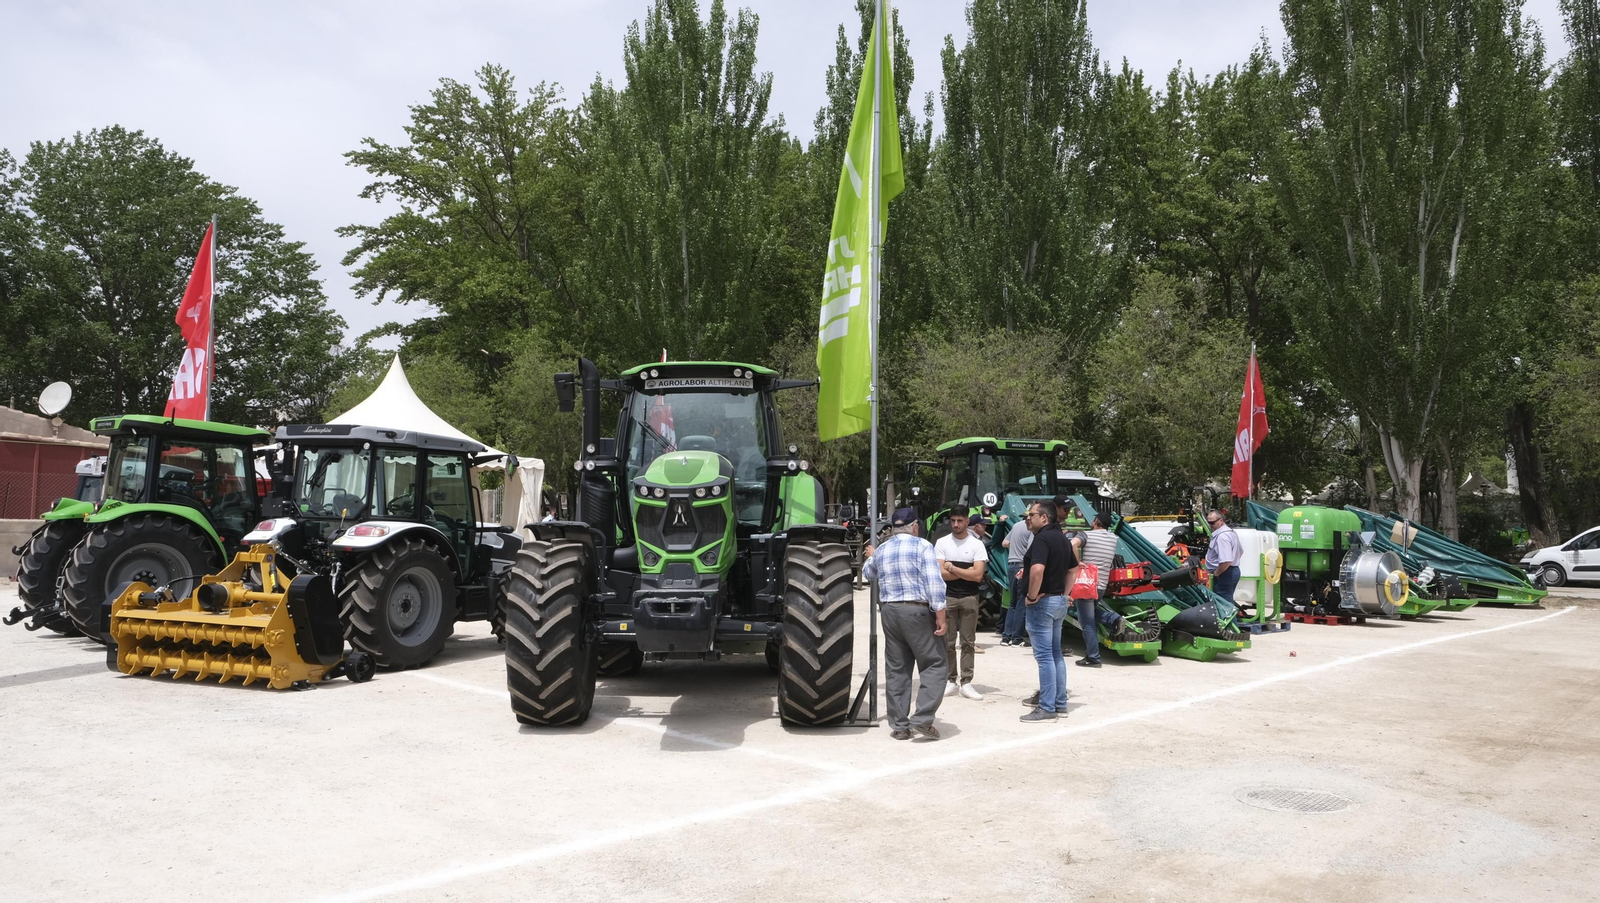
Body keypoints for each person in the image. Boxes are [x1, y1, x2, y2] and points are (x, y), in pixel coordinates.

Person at [862, 507, 949, 741]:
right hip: (916, 609)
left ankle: (900, 726)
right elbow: (934, 582)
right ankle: (922, 719)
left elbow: (868, 574)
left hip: (889, 611)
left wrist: (871, 556)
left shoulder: (883, 549)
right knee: (934, 663)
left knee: (897, 668)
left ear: (893, 528)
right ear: (915, 527)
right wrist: (941, 615)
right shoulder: (923, 546)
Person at [1019, 501, 1077, 722]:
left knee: (1044, 657)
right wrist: (1064, 593)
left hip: (1043, 604)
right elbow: (1074, 568)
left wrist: (1032, 595)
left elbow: (1037, 570)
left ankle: (1046, 707)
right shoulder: (1062, 538)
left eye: (1031, 514)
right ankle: (1059, 703)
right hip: (1058, 601)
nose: (1028, 518)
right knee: (1055, 654)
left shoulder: (1042, 539)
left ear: (1044, 518)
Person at [934, 506, 987, 700]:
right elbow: (939, 573)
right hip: (947, 597)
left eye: (960, 521)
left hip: (969, 598)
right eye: (953, 520)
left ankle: (966, 682)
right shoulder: (942, 543)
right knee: (947, 641)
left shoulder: (976, 545)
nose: (956, 524)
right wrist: (967, 571)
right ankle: (950, 680)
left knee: (968, 642)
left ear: (967, 521)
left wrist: (952, 568)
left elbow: (978, 576)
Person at [1071, 514, 1120, 667]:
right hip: (1101, 585)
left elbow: (1072, 544)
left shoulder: (1087, 535)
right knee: (1089, 612)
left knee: (1086, 622)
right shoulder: (1113, 538)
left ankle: (1093, 658)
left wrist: (1078, 562)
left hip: (1087, 584)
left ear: (1095, 522)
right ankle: (1113, 619)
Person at [1000, 510, 1033, 647]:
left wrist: (1014, 546)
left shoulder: (1015, 526)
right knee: (1021, 602)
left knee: (1013, 603)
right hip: (1022, 566)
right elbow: (1031, 549)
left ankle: (1006, 637)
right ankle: (1017, 638)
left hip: (1011, 565)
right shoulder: (1030, 529)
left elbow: (1004, 543)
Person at [1204, 508, 1242, 602]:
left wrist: (1217, 573)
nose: (1210, 525)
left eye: (1212, 523)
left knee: (1223, 603)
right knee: (1225, 601)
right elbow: (1240, 551)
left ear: (1221, 521)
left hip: (1224, 573)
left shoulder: (1222, 536)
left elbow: (1226, 561)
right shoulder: (1231, 532)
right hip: (1230, 571)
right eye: (1208, 522)